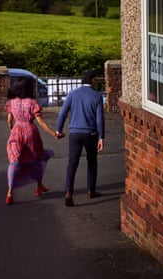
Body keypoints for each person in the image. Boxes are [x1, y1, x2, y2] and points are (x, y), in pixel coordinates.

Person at [5, 77, 63, 205]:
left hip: (16, 131)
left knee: (15, 161)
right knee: (36, 159)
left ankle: (10, 192)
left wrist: (13, 131)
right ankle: (39, 186)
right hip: (31, 132)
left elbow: (9, 121)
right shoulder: (33, 103)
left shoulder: (11, 102)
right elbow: (40, 122)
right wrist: (54, 133)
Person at [56, 69, 105, 207]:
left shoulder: (72, 94)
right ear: (93, 80)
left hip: (75, 133)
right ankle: (91, 190)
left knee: (72, 163)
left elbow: (62, 113)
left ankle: (69, 194)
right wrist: (101, 137)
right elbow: (99, 120)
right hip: (91, 134)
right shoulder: (97, 97)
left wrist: (58, 130)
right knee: (92, 162)